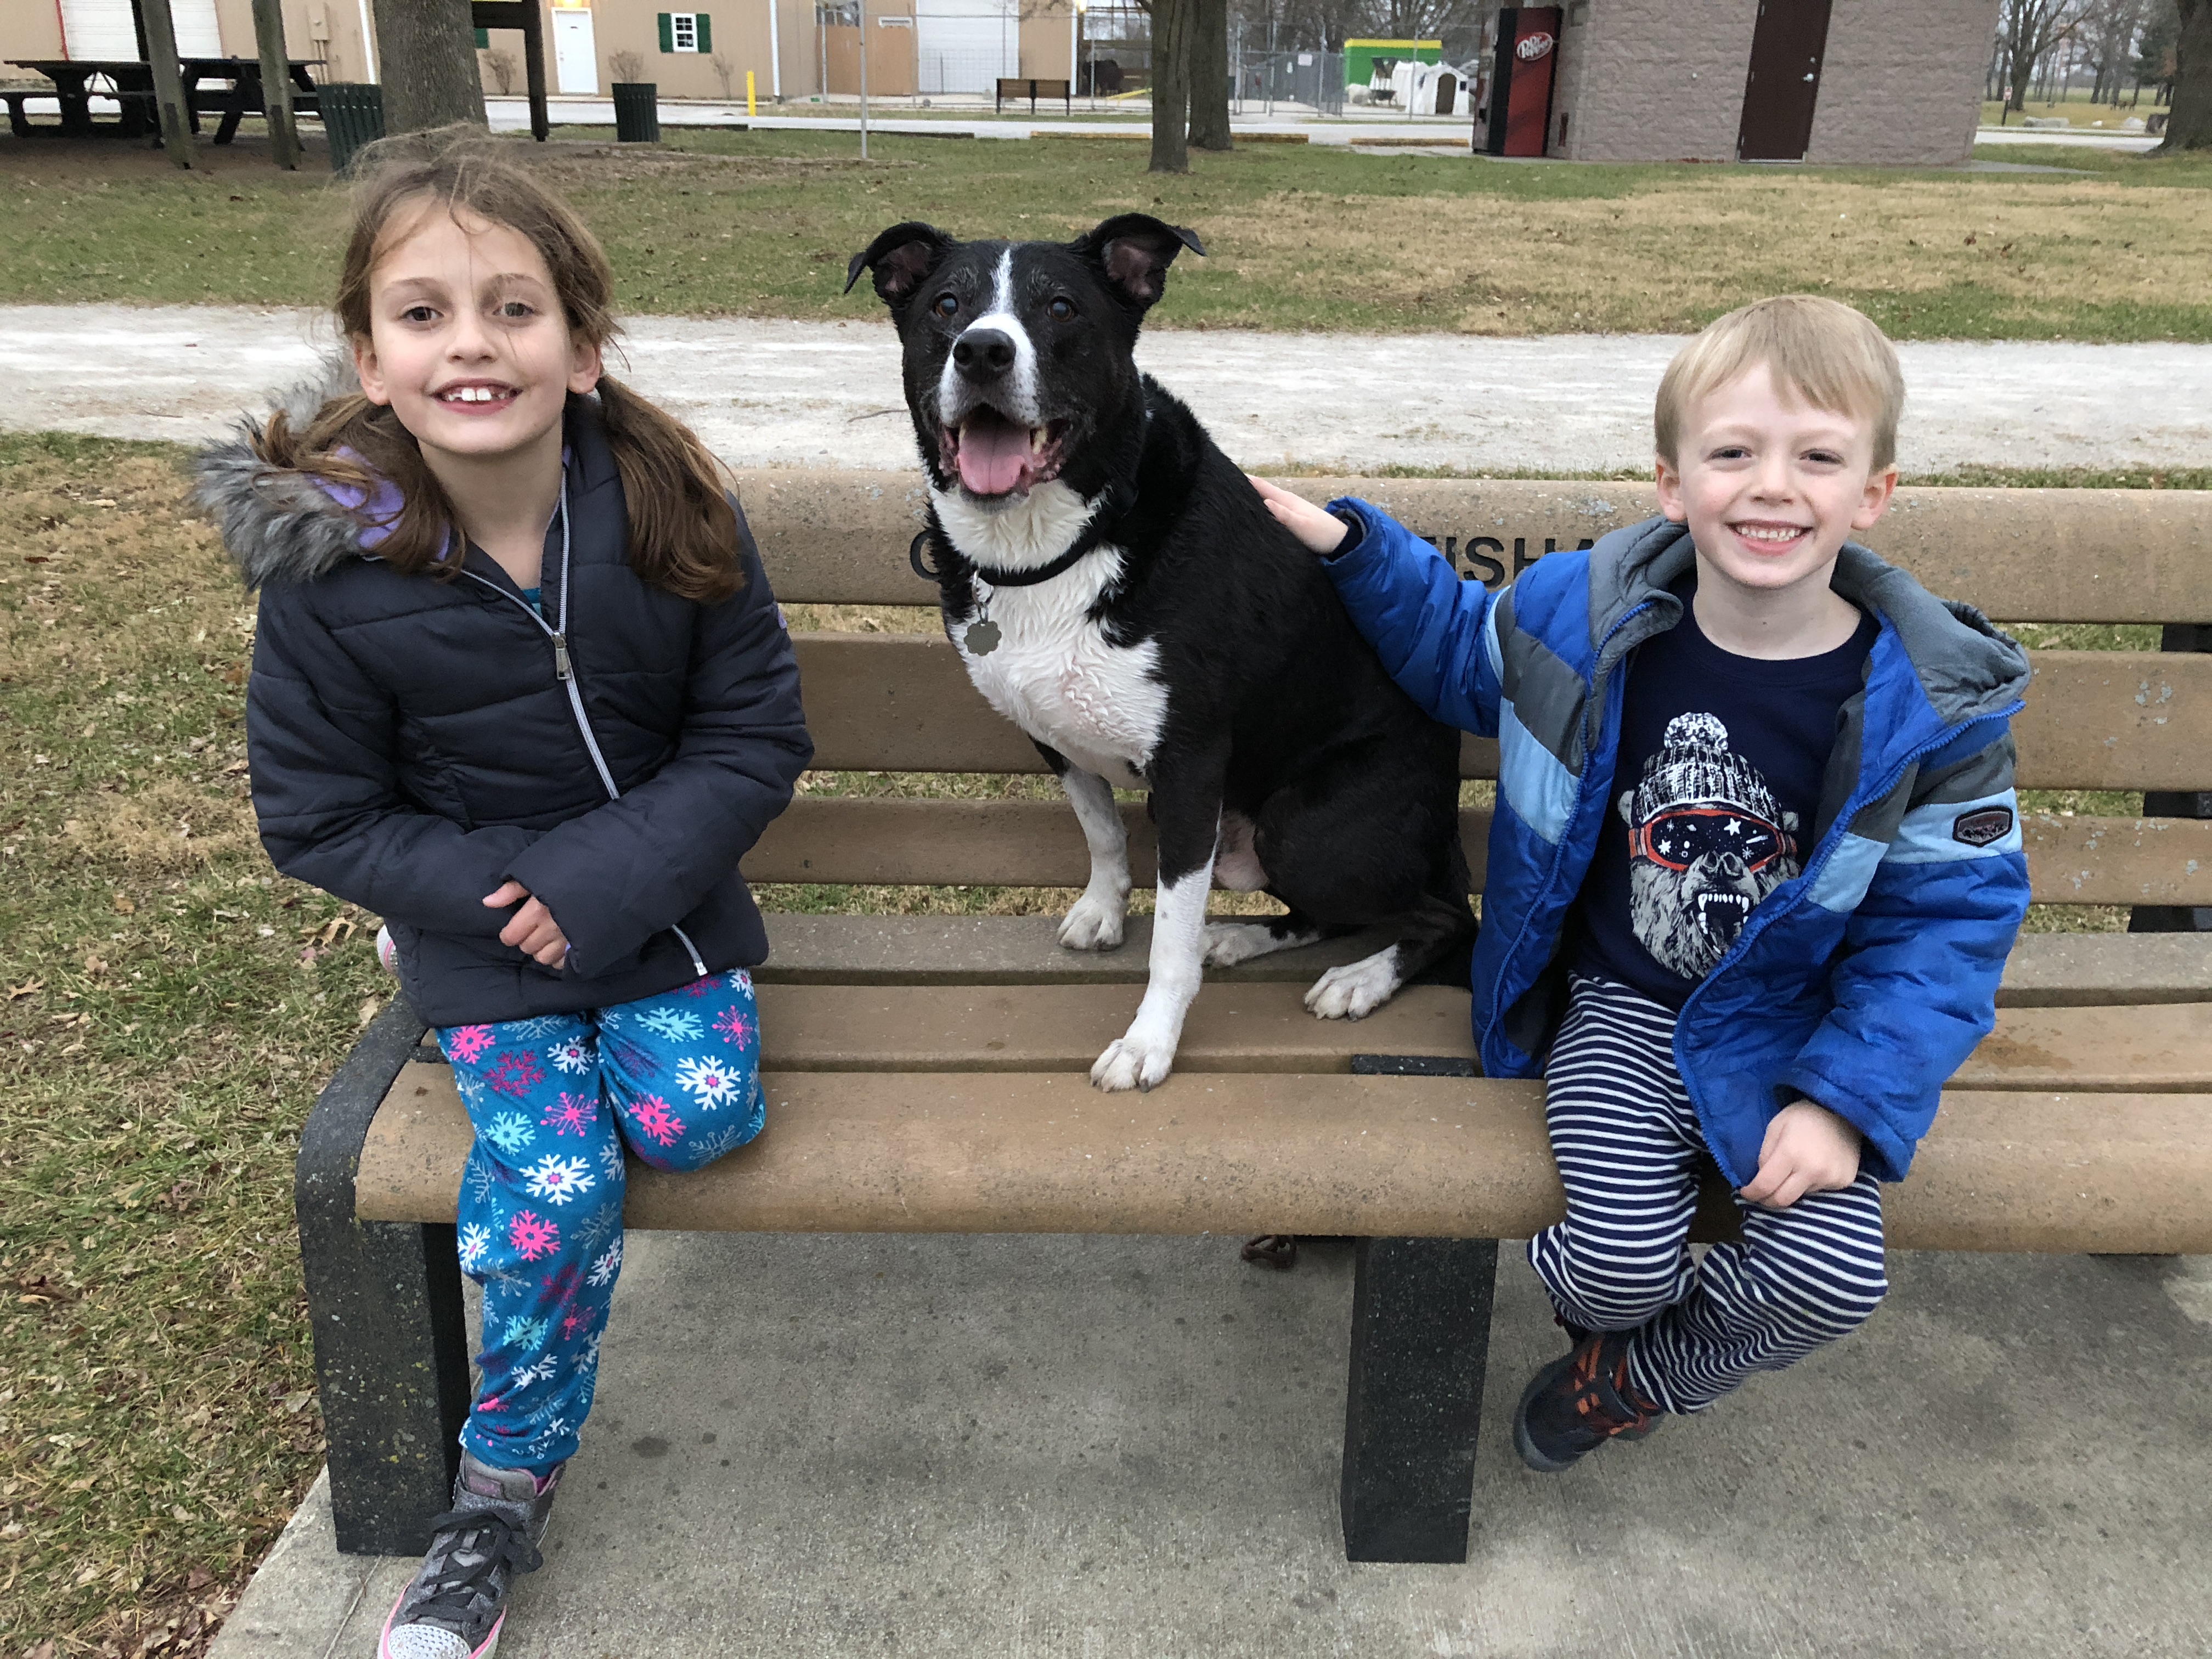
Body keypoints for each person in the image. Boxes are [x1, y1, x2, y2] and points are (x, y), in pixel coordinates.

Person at [197, 132, 811, 1655]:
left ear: (581, 347)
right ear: (371, 358)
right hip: (484, 937)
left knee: (700, 1118)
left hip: (662, 910)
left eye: (513, 309)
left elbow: (752, 737)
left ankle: (588, 1037)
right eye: (424, 314)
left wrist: (605, 879)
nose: (471, 342)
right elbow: (320, 815)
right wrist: (510, 895)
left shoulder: (671, 505)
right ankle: (497, 1497)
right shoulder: (332, 570)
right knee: (555, 1185)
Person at [1252, 295, 2030, 1472]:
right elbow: (1458, 646)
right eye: (1735, 453)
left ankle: (1636, 1381)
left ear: (1873, 494)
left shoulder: (1934, 707)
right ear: (1673, 483)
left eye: (1818, 459)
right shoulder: (1583, 622)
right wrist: (1353, 548)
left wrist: (1844, 1101)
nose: (1773, 487)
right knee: (1614, 1268)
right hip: (1616, 1010)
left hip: (1795, 1028)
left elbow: (1947, 927)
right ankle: (1608, 1327)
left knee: (1831, 1279)